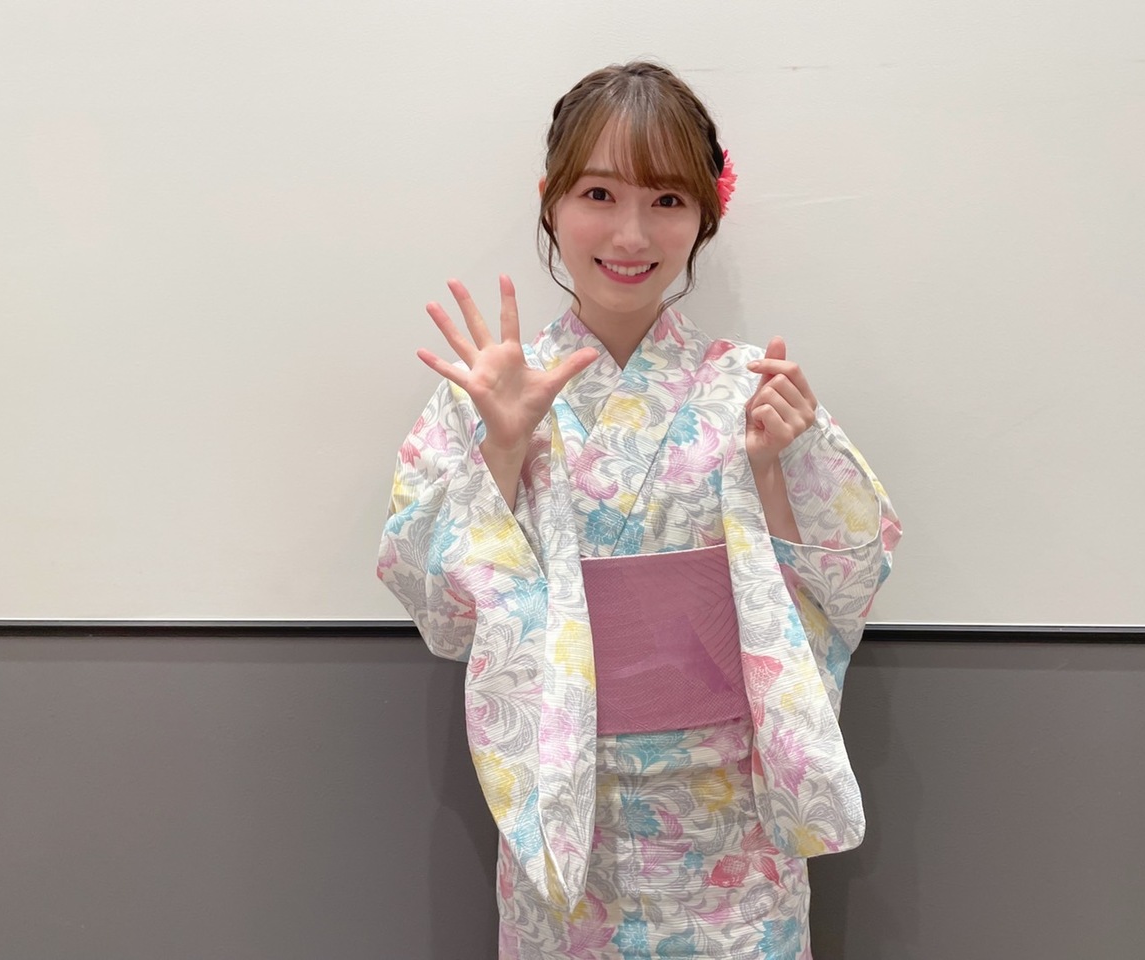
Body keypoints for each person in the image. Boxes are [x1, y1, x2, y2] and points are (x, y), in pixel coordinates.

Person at [378, 60, 901, 960]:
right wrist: (502, 449)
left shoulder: (751, 390)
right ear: (550, 203)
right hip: (564, 812)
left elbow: (839, 596)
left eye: (666, 199)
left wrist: (772, 470)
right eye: (598, 194)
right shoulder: (493, 394)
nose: (631, 232)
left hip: (733, 826)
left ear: (705, 214)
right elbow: (446, 620)